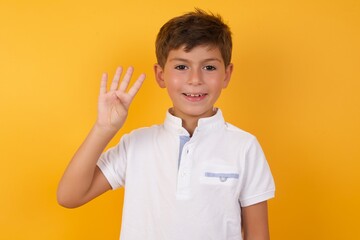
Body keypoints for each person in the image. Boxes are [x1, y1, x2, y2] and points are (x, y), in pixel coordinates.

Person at [57, 9, 275, 240]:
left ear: (227, 74)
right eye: (181, 67)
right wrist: (104, 129)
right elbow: (69, 196)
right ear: (160, 75)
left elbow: (258, 235)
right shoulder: (136, 144)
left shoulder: (244, 146)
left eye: (209, 67)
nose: (195, 79)